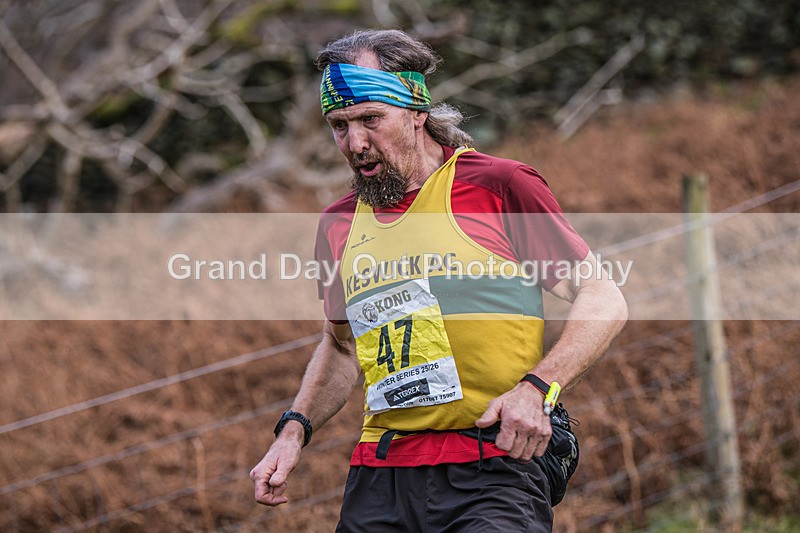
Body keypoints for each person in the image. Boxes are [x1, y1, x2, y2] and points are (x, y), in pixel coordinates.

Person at [250, 28, 627, 532]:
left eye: (370, 119)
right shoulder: (338, 223)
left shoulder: (497, 186)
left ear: (416, 111)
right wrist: (292, 432)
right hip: (380, 476)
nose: (355, 142)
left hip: (492, 468)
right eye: (339, 126)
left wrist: (537, 390)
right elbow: (342, 348)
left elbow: (602, 295)